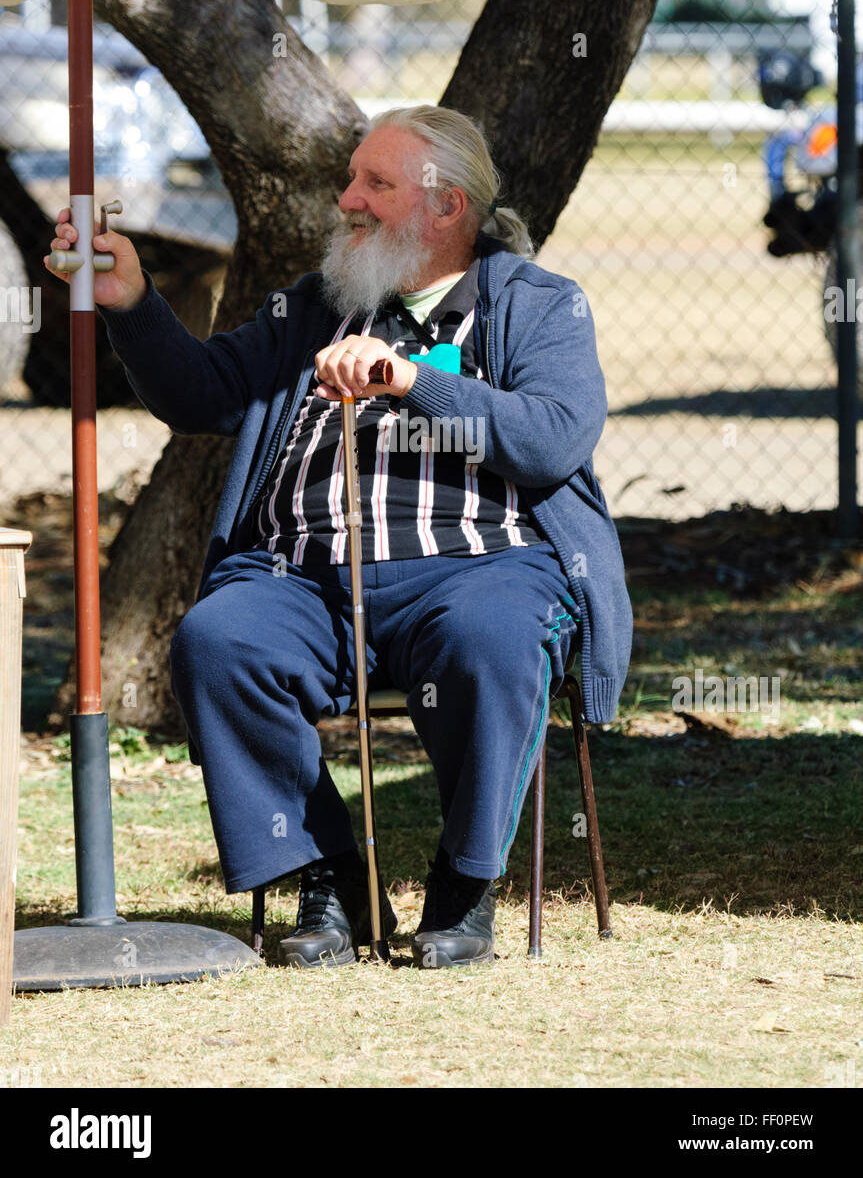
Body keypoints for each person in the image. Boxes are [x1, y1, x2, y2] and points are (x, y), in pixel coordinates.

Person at [47, 104, 632, 969]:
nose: (347, 199)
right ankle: (329, 874)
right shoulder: (315, 307)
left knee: (493, 637)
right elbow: (202, 394)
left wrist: (409, 383)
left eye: (375, 184)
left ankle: (464, 886)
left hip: (481, 569)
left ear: (446, 208)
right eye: (352, 178)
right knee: (221, 639)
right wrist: (130, 302)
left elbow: (551, 435)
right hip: (305, 577)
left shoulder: (534, 305)